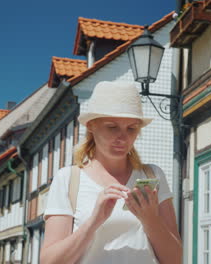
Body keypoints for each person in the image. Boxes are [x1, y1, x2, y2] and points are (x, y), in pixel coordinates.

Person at [39, 81, 182, 264]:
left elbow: (176, 259)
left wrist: (151, 220)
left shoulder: (153, 175)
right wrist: (94, 221)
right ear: (91, 126)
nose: (122, 137)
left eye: (131, 128)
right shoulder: (68, 179)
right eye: (112, 127)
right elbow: (49, 261)